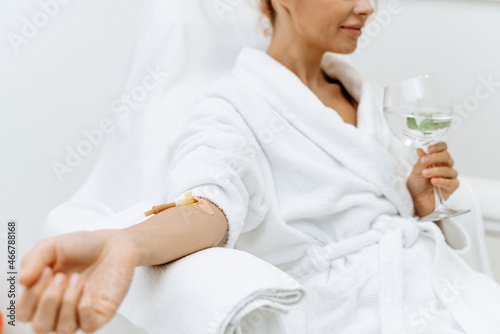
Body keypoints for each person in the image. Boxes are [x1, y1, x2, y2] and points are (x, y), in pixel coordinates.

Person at [18, 0, 500, 333]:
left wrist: (414, 199)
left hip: (445, 286)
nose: (369, 6)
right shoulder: (232, 107)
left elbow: (381, 205)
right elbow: (207, 205)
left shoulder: (368, 95)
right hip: (358, 311)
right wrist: (122, 244)